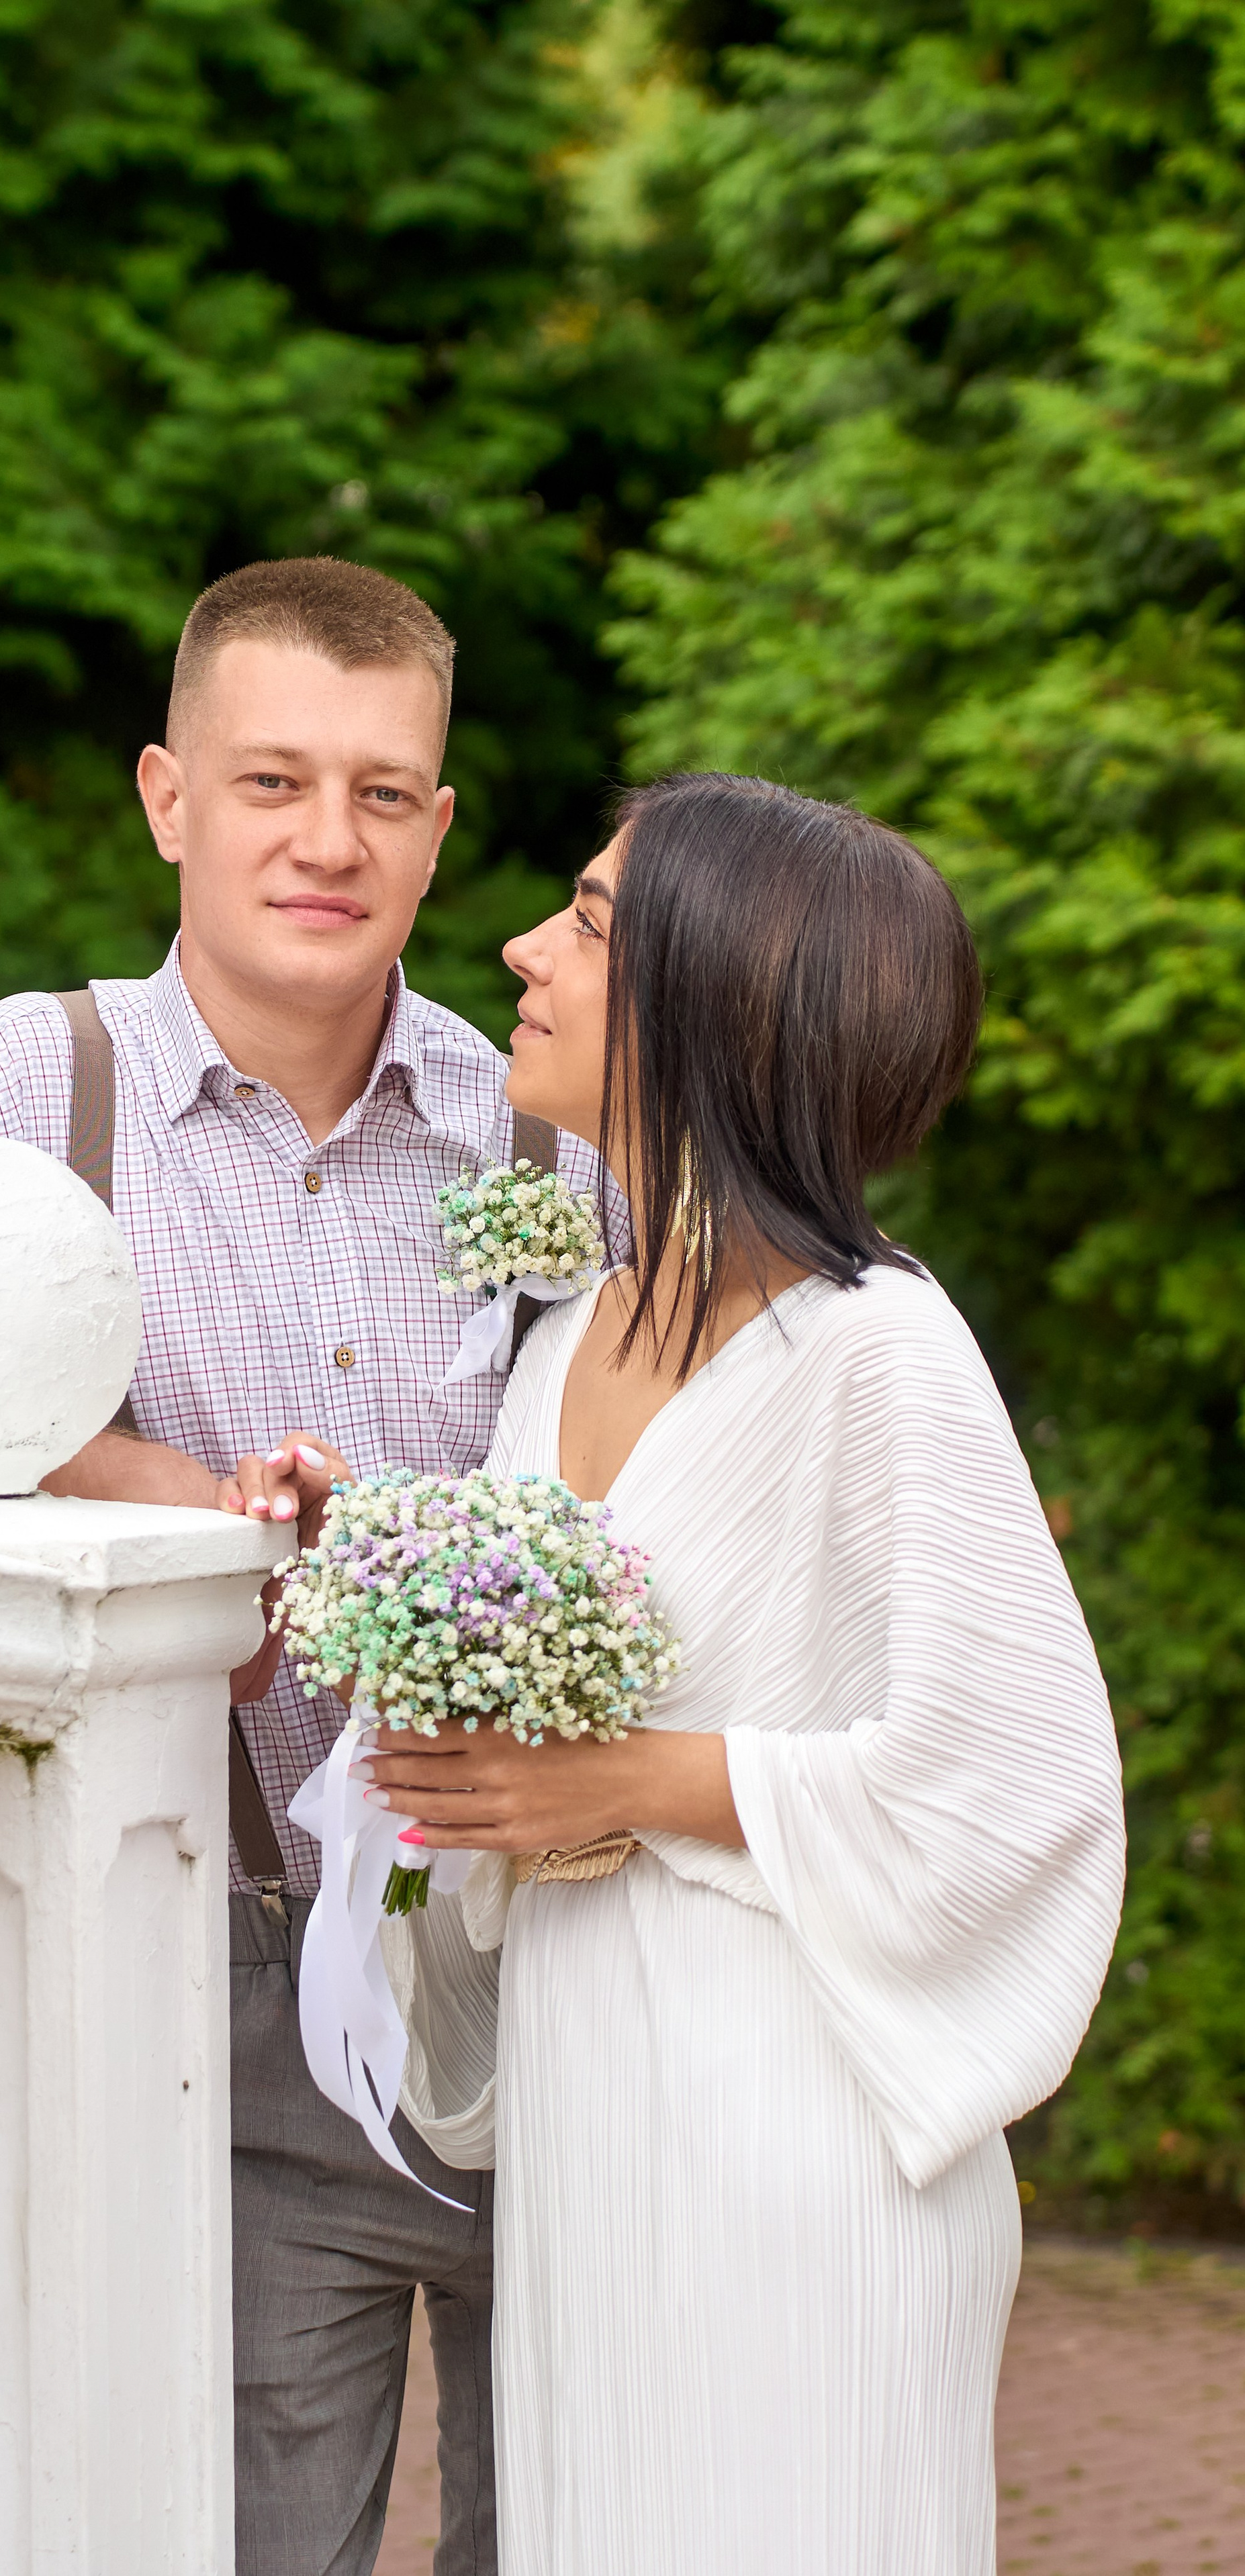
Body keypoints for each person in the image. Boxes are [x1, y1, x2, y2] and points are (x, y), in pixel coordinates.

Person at [0, 557, 602, 2576]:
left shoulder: (544, 1135)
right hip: (220, 1985)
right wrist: (110, 1473)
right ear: (169, 798)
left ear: (440, 827)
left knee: (581, 2533)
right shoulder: (34, 1085)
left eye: (381, 792)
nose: (325, 842)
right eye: (273, 782)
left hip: (555, 1965)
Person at [357, 773, 1127, 2575]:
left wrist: (624, 1782)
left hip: (799, 2139)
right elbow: (544, 1774)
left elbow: (1009, 1780)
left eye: (591, 921)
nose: (521, 952)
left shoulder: (883, 1355)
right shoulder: (565, 1345)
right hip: (590, 2113)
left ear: (723, 998)